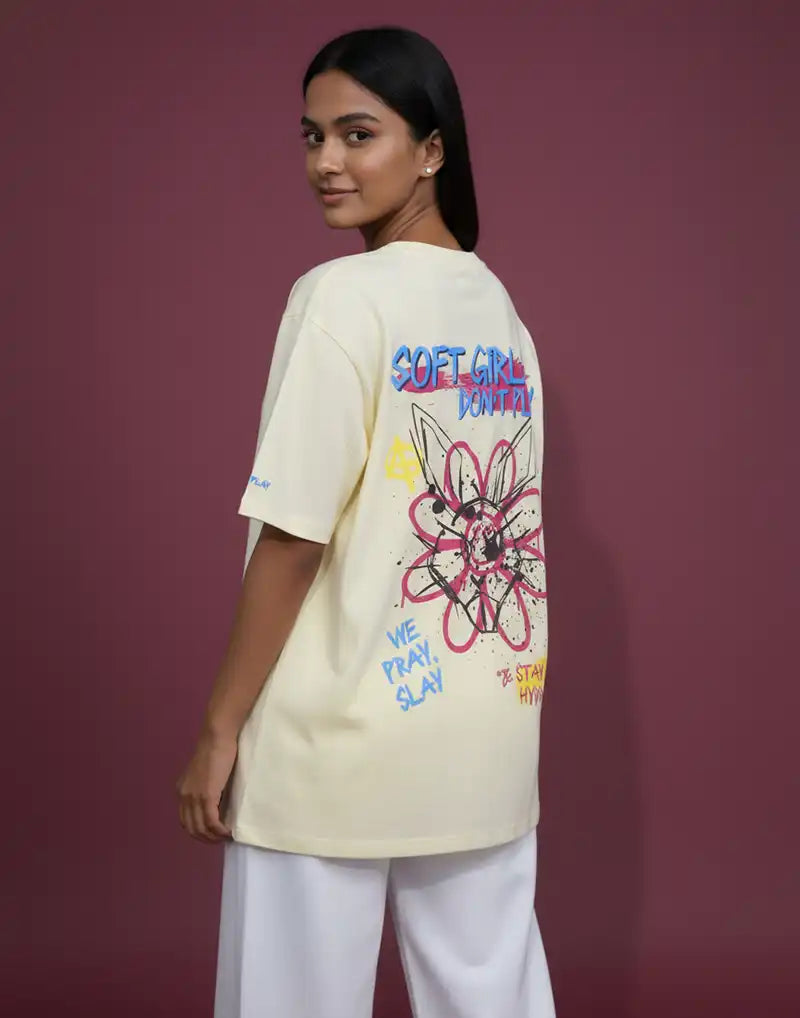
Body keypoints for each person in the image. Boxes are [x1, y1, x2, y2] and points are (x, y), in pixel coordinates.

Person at [176, 25, 556, 1018]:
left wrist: (220, 730)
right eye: (312, 137)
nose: (326, 163)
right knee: (493, 998)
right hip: (482, 731)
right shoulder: (498, 310)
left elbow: (294, 534)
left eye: (357, 134)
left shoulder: (339, 298)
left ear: (431, 149)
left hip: (331, 733)